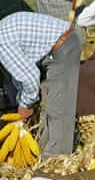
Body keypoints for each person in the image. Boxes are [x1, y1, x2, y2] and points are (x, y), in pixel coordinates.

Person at [0, 11, 80, 158]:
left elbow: (30, 76)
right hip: (55, 46)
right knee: (48, 108)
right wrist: (23, 100)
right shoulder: (3, 36)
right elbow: (19, 74)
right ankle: (43, 154)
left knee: (58, 110)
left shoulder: (2, 44)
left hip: (64, 45)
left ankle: (56, 162)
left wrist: (25, 104)